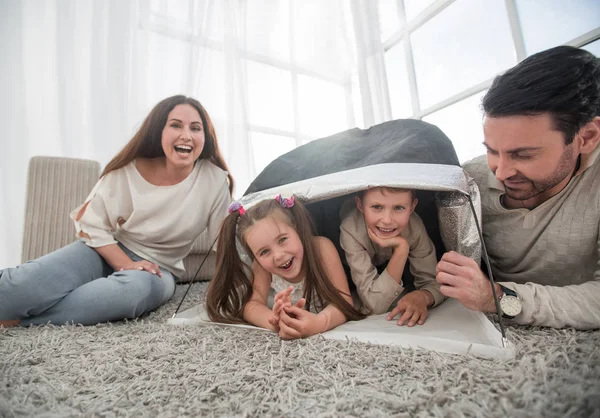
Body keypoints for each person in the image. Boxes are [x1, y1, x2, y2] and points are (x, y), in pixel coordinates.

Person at [0, 95, 233, 326]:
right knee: (24, 285)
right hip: (104, 251)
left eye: (196, 128)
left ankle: (17, 322)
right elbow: (91, 223)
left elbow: (223, 242)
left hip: (160, 270)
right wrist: (125, 263)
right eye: (175, 125)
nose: (186, 135)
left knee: (132, 293)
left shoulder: (214, 180)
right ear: (158, 131)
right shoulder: (129, 170)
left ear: (205, 137)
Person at [436, 46, 600, 330]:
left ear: (586, 137)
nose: (500, 171)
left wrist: (497, 298)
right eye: (492, 150)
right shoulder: (469, 179)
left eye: (523, 155)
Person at [206, 195, 365, 339]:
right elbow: (251, 306)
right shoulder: (261, 266)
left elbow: (344, 303)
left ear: (296, 228)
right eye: (264, 252)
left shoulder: (322, 248)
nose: (278, 255)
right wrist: (274, 321)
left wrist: (318, 323)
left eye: (282, 240)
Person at [339, 187, 445, 327]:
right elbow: (375, 304)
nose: (387, 220)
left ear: (413, 206)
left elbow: (434, 282)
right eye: (377, 207)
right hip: (347, 270)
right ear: (360, 205)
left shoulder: (414, 227)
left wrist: (423, 296)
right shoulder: (350, 229)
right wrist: (401, 249)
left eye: (399, 208)